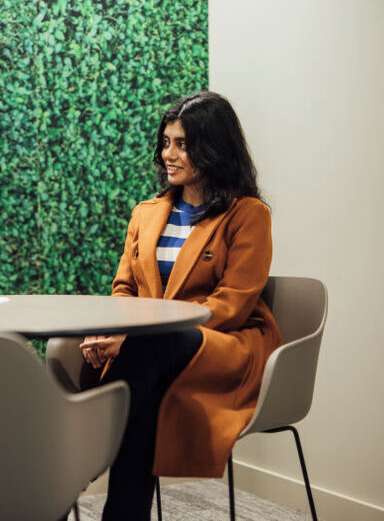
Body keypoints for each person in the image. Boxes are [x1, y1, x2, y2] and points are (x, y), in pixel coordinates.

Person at [79, 91, 282, 520]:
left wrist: (133, 335)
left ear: (214, 148)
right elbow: (124, 289)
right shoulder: (146, 213)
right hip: (152, 350)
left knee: (150, 347)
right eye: (166, 142)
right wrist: (108, 329)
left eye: (182, 144)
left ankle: (74, 459)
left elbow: (233, 304)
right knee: (135, 392)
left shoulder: (249, 215)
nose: (168, 154)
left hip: (220, 344)